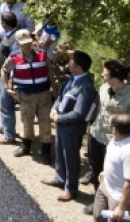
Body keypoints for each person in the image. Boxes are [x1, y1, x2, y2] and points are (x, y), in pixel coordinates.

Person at [83, 60, 130, 214]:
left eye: (105, 73)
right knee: (96, 169)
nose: (102, 74)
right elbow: (98, 108)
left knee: (112, 174)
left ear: (115, 78)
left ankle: (116, 205)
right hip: (96, 135)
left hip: (113, 143)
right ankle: (99, 199)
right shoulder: (103, 88)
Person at [43, 50, 97, 202]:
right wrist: (54, 109)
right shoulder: (72, 79)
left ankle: (71, 189)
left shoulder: (85, 86)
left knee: (71, 159)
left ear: (78, 66)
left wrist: (59, 118)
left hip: (72, 129)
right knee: (60, 153)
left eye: (71, 61)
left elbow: (79, 113)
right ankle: (60, 179)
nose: (68, 63)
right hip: (61, 124)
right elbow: (60, 97)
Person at [2, 29, 54, 163]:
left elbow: (49, 69)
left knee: (45, 122)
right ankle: (26, 145)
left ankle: (46, 150)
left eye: (28, 43)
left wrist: (54, 87)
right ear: (18, 44)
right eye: (23, 44)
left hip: (44, 95)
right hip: (25, 96)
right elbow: (4, 70)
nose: (26, 46)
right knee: (27, 121)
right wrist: (7, 87)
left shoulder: (42, 54)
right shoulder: (14, 58)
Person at [93, 113, 130, 222]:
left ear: (114, 130)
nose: (107, 124)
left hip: (120, 197)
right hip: (106, 186)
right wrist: (105, 171)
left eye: (109, 124)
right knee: (98, 216)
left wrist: (121, 207)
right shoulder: (122, 136)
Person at [0, 11, 20, 144]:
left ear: (4, 23)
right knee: (1, 103)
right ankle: (4, 127)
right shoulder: (5, 34)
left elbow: (14, 60)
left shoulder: (16, 37)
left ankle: (9, 135)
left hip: (7, 77)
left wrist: (9, 81)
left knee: (7, 104)